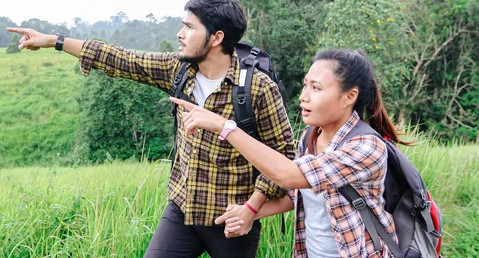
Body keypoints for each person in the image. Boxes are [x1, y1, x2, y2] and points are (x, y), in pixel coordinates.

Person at [6, 0, 295, 258]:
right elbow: (121, 59)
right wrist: (54, 41)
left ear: (216, 37)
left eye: (190, 28)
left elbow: (282, 155)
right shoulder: (178, 70)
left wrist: (251, 208)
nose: (180, 35)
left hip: (231, 218)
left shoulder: (256, 89)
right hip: (182, 209)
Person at [171, 49, 407, 257]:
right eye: (306, 85)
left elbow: (288, 175)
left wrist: (225, 127)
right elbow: (295, 195)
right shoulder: (311, 136)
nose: (304, 96)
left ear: (350, 96)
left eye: (316, 88)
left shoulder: (365, 147)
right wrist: (250, 212)